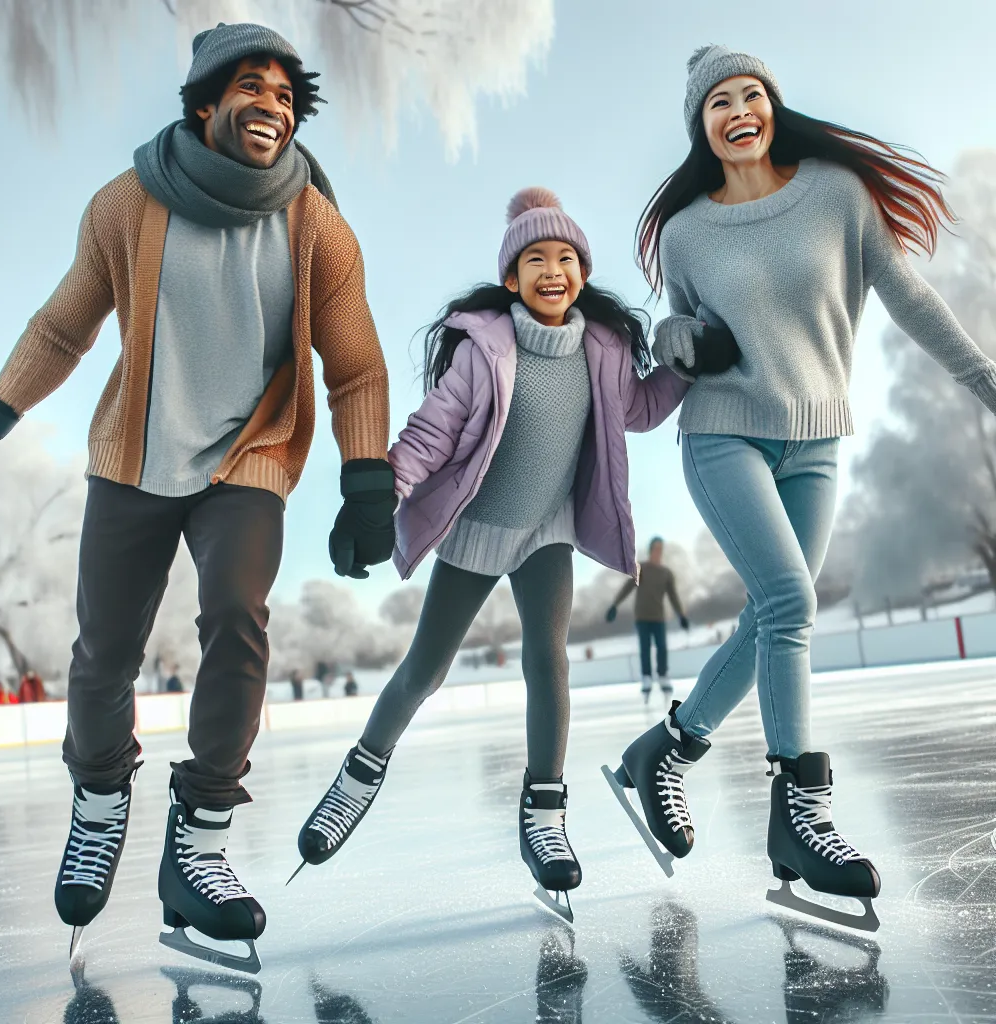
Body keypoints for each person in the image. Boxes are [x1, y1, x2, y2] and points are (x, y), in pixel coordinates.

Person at [0, 21, 394, 971]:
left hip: (249, 456)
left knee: (237, 620)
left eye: (287, 98)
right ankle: (99, 801)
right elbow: (61, 327)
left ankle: (198, 846)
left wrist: (369, 478)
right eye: (254, 88)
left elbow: (357, 364)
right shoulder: (126, 204)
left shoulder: (317, 223)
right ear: (206, 103)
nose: (274, 109)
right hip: (135, 454)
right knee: (103, 649)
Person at [606, 44, 996, 929]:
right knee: (788, 600)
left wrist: (985, 379)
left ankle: (665, 748)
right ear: (701, 128)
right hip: (723, 432)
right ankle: (799, 815)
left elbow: (907, 296)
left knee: (777, 614)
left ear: (772, 107)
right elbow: (685, 335)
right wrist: (673, 338)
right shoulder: (688, 231)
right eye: (719, 103)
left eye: (752, 94)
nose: (739, 110)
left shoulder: (834, 194)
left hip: (815, 439)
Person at [292, 186, 739, 920]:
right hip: (476, 530)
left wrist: (686, 362)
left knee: (549, 661)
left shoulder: (603, 350)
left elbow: (643, 409)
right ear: (512, 278)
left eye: (567, 258)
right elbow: (431, 434)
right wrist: (380, 495)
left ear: (583, 273)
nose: (554, 270)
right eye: (537, 259)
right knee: (425, 670)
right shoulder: (484, 350)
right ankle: (359, 776)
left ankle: (545, 811)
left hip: (548, 531)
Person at [606, 536, 690, 705]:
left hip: (658, 617)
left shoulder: (666, 573)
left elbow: (673, 596)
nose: (659, 552)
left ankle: (663, 675)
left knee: (662, 647)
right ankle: (646, 677)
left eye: (661, 549)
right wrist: (615, 605)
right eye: (656, 548)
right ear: (652, 550)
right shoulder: (641, 568)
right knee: (644, 648)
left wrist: (681, 615)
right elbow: (627, 587)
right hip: (642, 617)